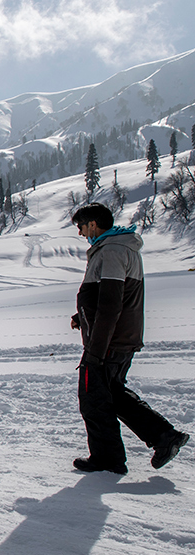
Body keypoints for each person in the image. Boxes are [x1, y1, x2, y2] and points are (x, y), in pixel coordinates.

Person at [69, 203, 189, 474]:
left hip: (108, 342)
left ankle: (108, 459)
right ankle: (164, 437)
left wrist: (96, 351)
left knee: (93, 399)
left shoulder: (111, 251)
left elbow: (111, 305)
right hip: (120, 338)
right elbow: (107, 299)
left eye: (80, 226)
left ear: (93, 224)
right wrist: (83, 315)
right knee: (112, 394)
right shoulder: (119, 247)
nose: (80, 233)